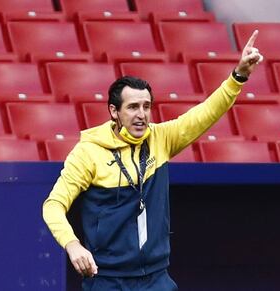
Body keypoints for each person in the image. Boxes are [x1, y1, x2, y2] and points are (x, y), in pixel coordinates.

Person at [42, 30, 263, 290]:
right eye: (133, 107)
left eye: (146, 106)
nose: (142, 115)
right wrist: (72, 244)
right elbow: (53, 205)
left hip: (156, 278)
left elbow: (204, 114)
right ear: (114, 111)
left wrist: (238, 77)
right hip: (107, 279)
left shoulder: (161, 138)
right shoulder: (88, 152)